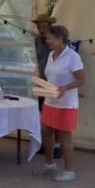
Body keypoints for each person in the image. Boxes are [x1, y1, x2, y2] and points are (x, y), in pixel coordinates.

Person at [37, 25, 85, 182]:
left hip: (66, 104)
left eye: (50, 38)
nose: (47, 41)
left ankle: (69, 171)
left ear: (60, 39)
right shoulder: (51, 54)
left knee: (64, 137)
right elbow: (49, 77)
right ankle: (49, 164)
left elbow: (81, 80)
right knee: (46, 132)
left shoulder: (72, 56)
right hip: (50, 101)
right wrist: (42, 85)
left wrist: (66, 87)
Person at [31, 13, 57, 156]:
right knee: (44, 114)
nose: (41, 30)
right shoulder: (37, 40)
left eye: (44, 27)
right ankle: (46, 144)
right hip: (42, 81)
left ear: (50, 27)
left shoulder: (56, 41)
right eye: (39, 27)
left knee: (55, 114)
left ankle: (57, 145)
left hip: (54, 83)